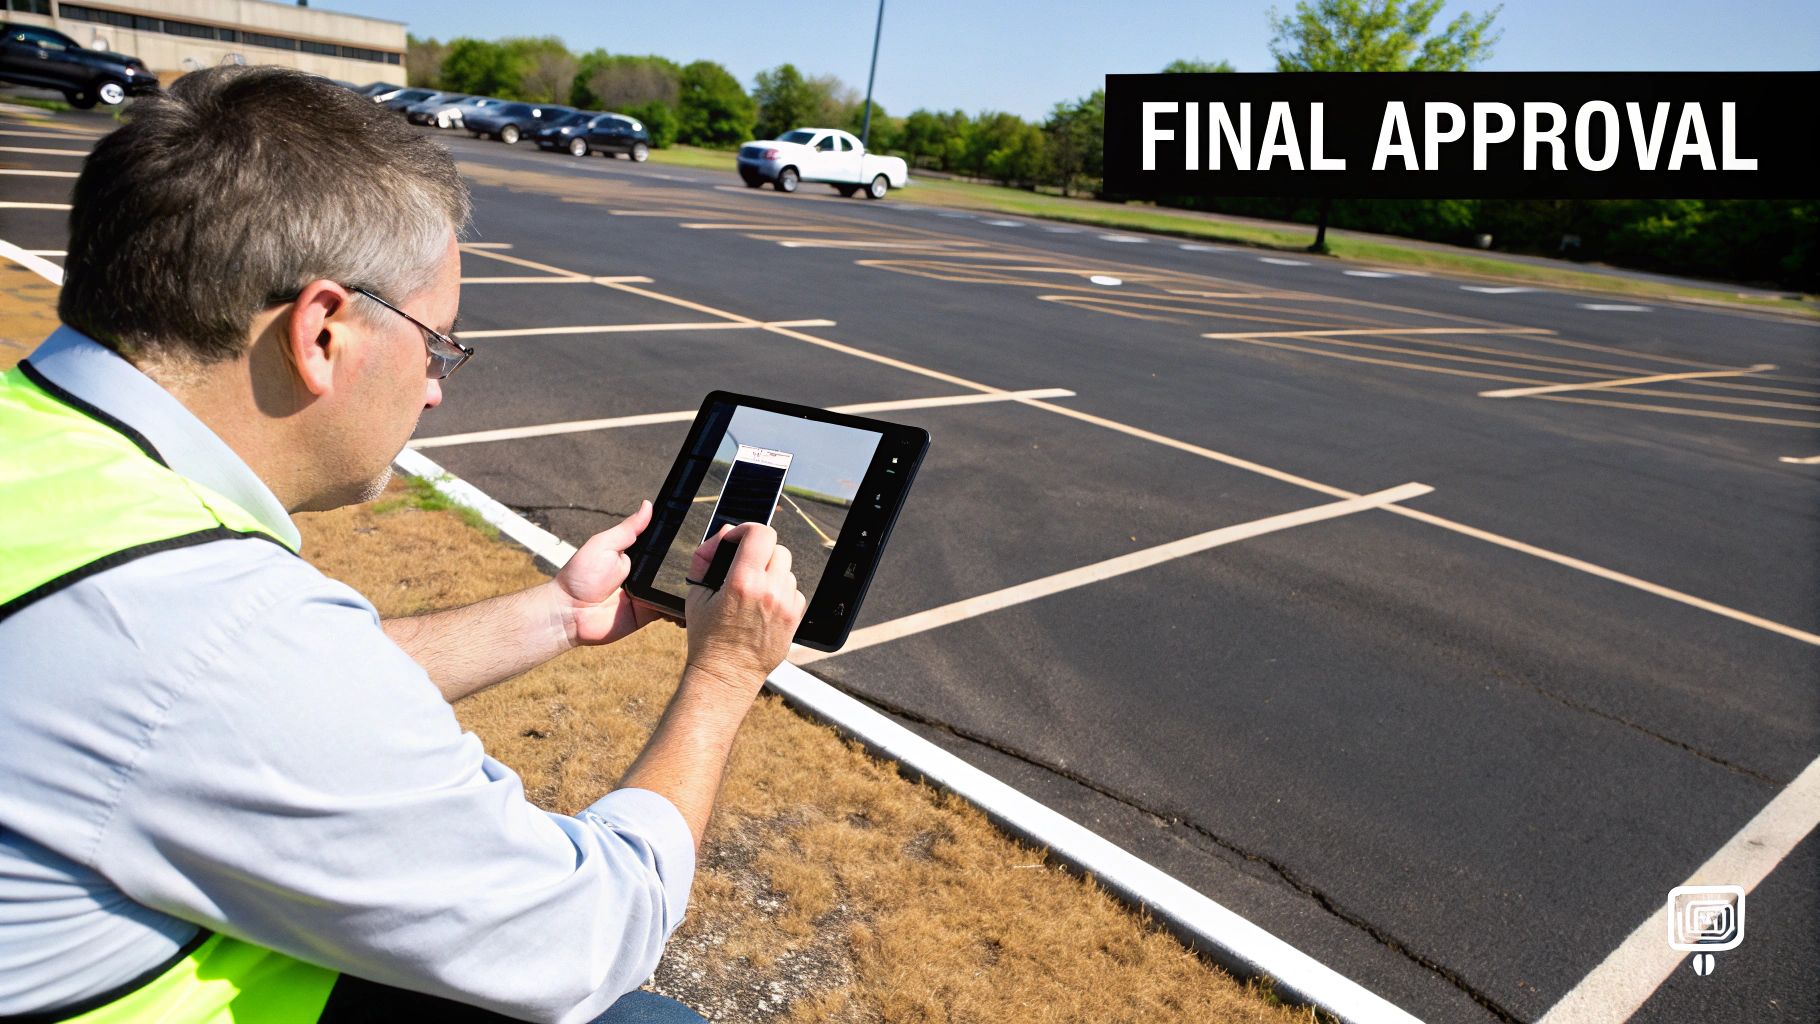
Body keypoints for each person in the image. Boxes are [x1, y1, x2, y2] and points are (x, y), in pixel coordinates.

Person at [0, 66, 806, 1023]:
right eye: (440, 343)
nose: (434, 387)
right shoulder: (216, 630)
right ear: (324, 331)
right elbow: (578, 939)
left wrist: (558, 614)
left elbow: (282, 691)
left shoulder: (47, 452)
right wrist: (722, 679)